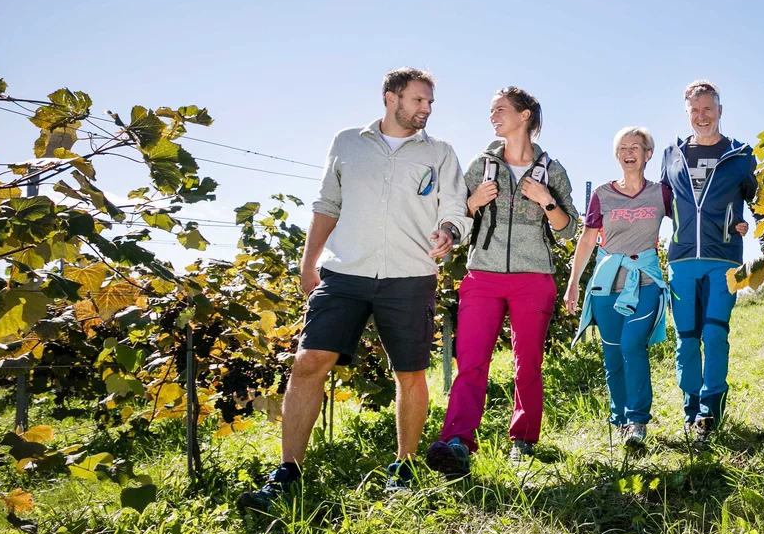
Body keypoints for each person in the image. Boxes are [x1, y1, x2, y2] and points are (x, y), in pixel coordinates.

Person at [239, 67, 471, 510]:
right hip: (344, 273)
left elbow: (455, 207)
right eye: (418, 100)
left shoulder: (440, 152)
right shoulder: (348, 142)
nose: (426, 109)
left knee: (410, 372)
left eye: (430, 103)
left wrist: (447, 230)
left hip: (409, 274)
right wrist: (309, 262)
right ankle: (287, 473)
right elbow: (328, 203)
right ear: (391, 97)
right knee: (309, 362)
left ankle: (403, 466)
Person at [425, 87, 579, 475]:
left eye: (501, 110)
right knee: (471, 362)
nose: (493, 116)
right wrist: (473, 203)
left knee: (527, 364)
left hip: (534, 278)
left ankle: (523, 440)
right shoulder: (481, 165)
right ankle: (457, 441)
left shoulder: (551, 170)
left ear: (525, 115)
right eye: (491, 110)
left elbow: (567, 229)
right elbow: (457, 215)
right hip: (483, 275)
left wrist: (546, 200)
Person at [661, 80, 764, 446]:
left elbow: (761, 202)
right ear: (687, 113)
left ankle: (710, 412)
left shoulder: (740, 156)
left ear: (720, 111)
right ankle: (690, 410)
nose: (702, 116)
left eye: (708, 109)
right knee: (687, 339)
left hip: (724, 259)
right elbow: (661, 202)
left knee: (715, 334)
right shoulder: (671, 155)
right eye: (695, 110)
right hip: (681, 260)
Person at [566, 127, 672, 448]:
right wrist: (573, 284)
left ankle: (638, 420)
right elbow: (587, 241)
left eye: (636, 147)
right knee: (612, 355)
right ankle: (621, 420)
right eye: (623, 147)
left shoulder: (661, 194)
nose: (629, 152)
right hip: (606, 284)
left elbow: (687, 224)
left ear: (647, 154)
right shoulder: (602, 194)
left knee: (631, 346)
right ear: (617, 155)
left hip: (646, 281)